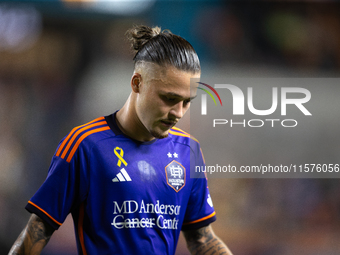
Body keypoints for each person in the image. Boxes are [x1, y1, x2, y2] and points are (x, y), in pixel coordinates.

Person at [9, 25, 233, 255]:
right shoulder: (86, 145)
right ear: (137, 83)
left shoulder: (188, 150)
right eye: (169, 98)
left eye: (187, 102)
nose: (178, 112)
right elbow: (39, 229)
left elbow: (202, 239)